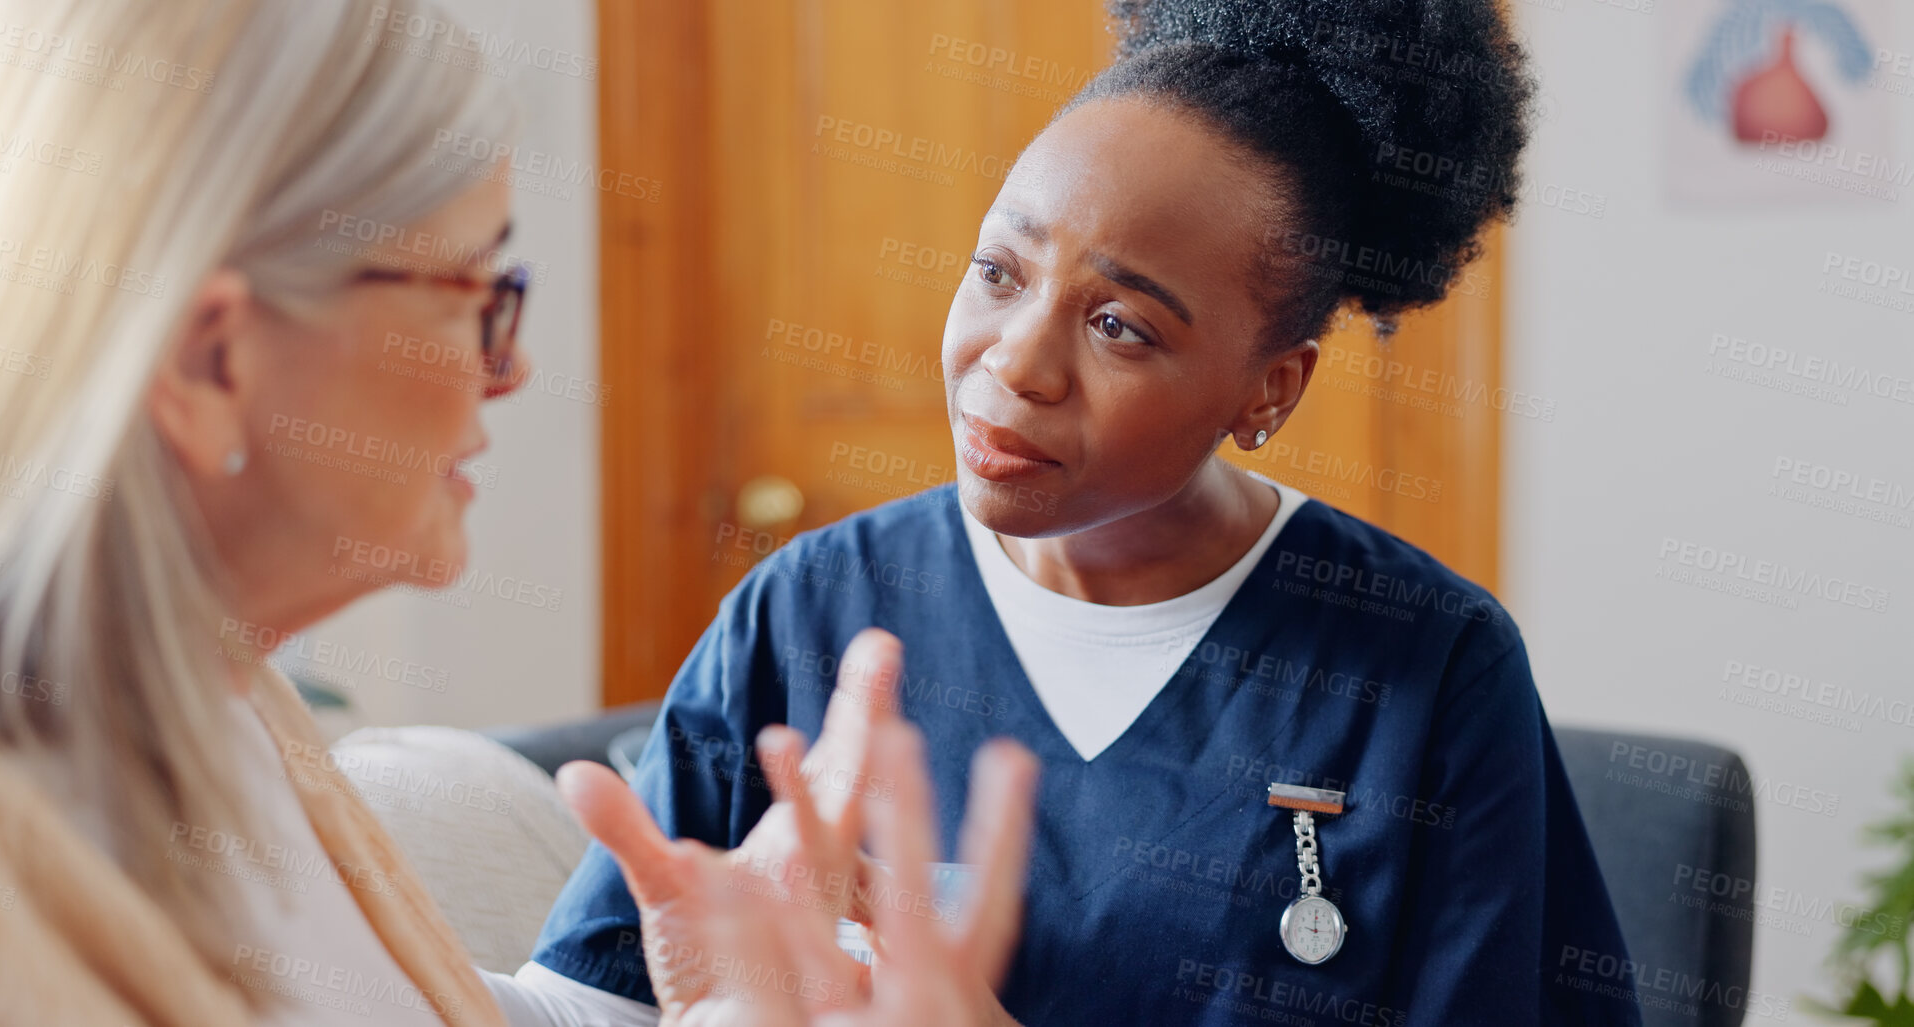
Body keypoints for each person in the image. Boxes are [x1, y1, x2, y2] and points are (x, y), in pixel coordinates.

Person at [525, 0, 1646, 1024]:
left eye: (1122, 326)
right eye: (1000, 272)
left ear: (1271, 386)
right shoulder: (810, 608)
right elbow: (595, 997)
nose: (1014, 363)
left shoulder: (1430, 668)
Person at [0, 1, 1036, 1024]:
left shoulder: (219, 704)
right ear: (213, 361)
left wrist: (702, 989)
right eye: (475, 294)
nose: (513, 365)